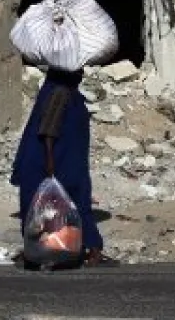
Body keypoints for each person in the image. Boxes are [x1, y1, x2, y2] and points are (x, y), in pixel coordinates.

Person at [10, 62, 110, 268]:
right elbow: (48, 130)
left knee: (62, 205)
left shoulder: (65, 93)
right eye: (77, 71)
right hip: (56, 161)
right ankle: (60, 249)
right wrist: (50, 163)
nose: (80, 74)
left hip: (66, 160)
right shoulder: (60, 93)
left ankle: (76, 248)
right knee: (71, 203)